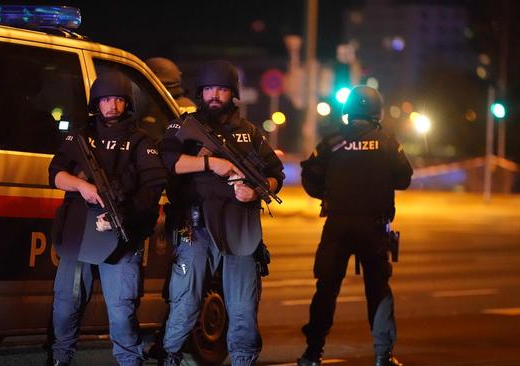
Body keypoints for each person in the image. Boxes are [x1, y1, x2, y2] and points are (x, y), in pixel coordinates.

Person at [158, 60, 284, 366]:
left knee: (241, 308)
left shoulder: (250, 133)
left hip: (239, 226)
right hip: (194, 224)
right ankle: (169, 356)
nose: (215, 95)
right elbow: (168, 161)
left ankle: (242, 360)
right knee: (185, 301)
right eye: (209, 89)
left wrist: (256, 190)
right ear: (200, 92)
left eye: (222, 89)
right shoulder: (184, 126)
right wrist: (210, 163)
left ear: (233, 94)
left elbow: (275, 176)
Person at [47, 72, 166, 366]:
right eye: (105, 99)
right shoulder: (79, 138)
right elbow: (56, 175)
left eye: (118, 99)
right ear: (95, 103)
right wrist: (83, 186)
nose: (111, 105)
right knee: (65, 307)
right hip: (79, 233)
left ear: (127, 104)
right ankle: (60, 359)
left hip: (121, 235)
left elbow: (152, 188)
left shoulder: (140, 142)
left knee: (122, 312)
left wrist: (126, 215)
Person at [298, 85, 412, 366]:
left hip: (337, 227)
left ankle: (312, 354)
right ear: (377, 112)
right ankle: (382, 356)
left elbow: (309, 176)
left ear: (348, 110)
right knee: (378, 289)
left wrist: (329, 193)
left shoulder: (332, 142)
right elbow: (404, 178)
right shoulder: (388, 142)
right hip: (374, 229)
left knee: (326, 288)